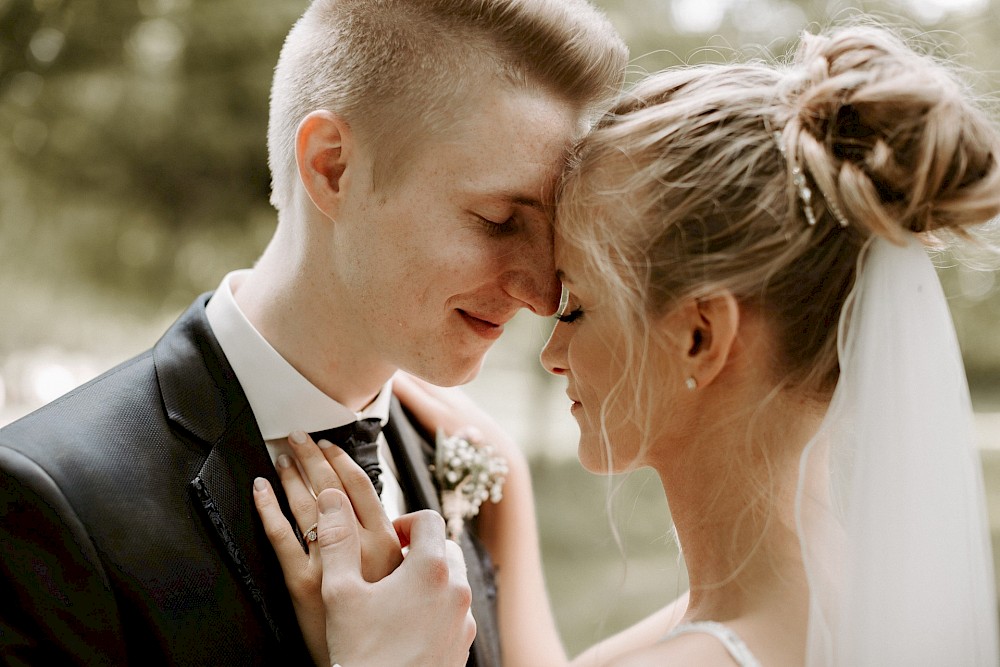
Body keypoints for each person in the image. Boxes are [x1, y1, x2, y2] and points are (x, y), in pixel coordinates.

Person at [264, 23, 1000, 666]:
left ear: (699, 336)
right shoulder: (862, 606)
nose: (552, 349)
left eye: (578, 306)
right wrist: (504, 495)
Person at [0, 0, 627, 663]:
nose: (540, 293)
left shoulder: (460, 457)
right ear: (332, 167)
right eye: (499, 220)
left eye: (551, 234)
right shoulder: (44, 507)